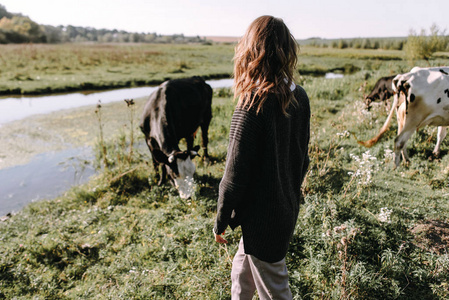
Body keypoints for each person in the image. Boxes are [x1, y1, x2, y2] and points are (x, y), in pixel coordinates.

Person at [213, 15, 310, 300]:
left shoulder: (251, 104)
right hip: (284, 209)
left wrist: (220, 219)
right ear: (285, 51)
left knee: (276, 293)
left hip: (265, 222)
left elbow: (233, 176)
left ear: (250, 51)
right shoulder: (299, 96)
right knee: (241, 274)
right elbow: (302, 160)